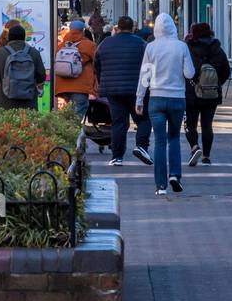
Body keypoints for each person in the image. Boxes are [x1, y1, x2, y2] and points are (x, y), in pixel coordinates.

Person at [135, 13, 195, 194]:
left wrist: (139, 99)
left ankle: (160, 186)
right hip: (177, 98)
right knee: (174, 137)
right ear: (173, 27)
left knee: (159, 141)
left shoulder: (151, 48)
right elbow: (190, 73)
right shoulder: (181, 47)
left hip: (156, 99)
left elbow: (144, 75)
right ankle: (175, 175)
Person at [93, 16, 148, 167]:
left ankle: (117, 156)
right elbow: (148, 66)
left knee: (118, 123)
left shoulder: (105, 43)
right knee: (143, 119)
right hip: (135, 90)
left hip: (113, 90)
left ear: (117, 28)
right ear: (132, 28)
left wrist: (102, 80)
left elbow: (96, 64)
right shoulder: (141, 44)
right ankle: (141, 147)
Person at [184, 21, 231, 165]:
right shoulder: (218, 49)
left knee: (190, 123)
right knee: (207, 124)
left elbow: (184, 70)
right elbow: (226, 71)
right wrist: (216, 84)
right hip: (212, 94)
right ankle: (206, 155)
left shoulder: (188, 48)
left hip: (192, 92)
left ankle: (194, 147)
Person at [0, 22, 46, 110]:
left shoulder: (1, 53)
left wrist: (3, 77)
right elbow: (41, 76)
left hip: (5, 104)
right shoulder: (34, 53)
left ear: (9, 37)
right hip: (29, 104)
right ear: (24, 37)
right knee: (28, 123)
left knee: (7, 124)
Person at [54, 18, 96, 121]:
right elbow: (98, 64)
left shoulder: (60, 46)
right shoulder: (89, 45)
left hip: (63, 87)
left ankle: (68, 134)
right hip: (81, 87)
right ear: (83, 31)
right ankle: (74, 136)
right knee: (77, 117)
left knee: (69, 115)